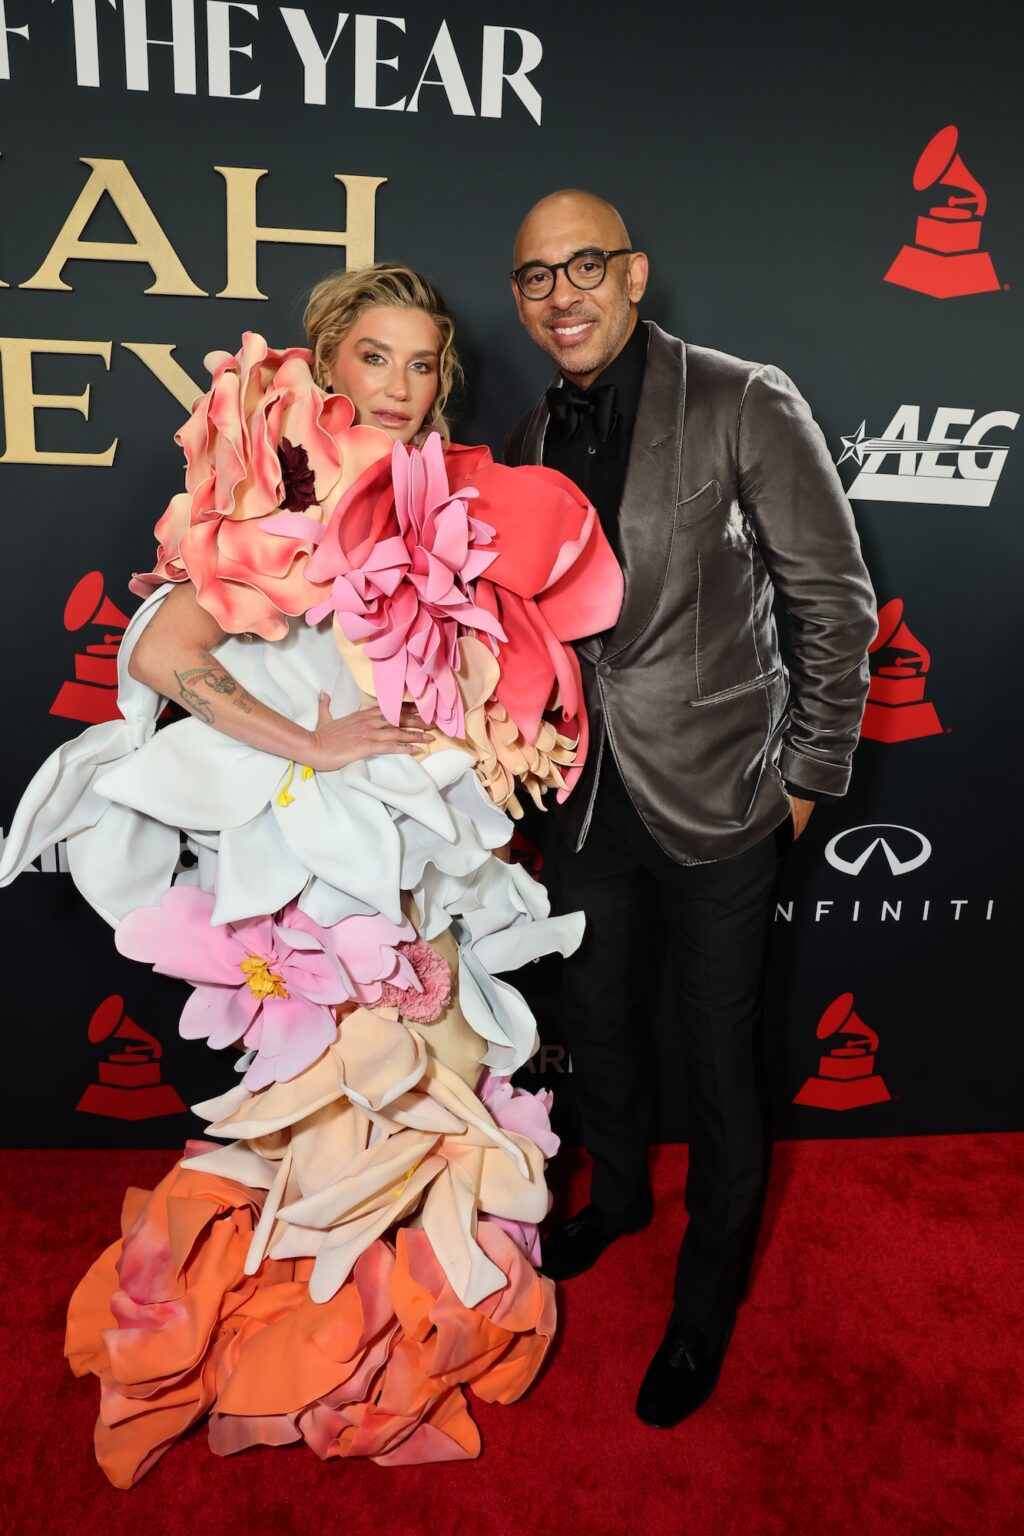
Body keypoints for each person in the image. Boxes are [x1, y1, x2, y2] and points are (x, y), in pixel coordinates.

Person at [0, 262, 623, 1484]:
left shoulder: (448, 504)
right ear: (326, 362)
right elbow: (173, 648)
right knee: (342, 1099)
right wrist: (312, 742)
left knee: (432, 1087)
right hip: (317, 859)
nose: (398, 385)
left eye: (422, 362)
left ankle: (391, 1338)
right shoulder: (271, 504)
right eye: (375, 357)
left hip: (426, 853)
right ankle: (308, 1342)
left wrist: (505, 735)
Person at [504, 191, 877, 1428]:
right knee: (599, 1025)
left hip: (725, 794)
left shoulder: (738, 396)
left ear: (634, 272)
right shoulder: (528, 430)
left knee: (721, 1065)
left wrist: (810, 777)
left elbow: (833, 602)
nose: (562, 293)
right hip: (582, 793)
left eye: (585, 265)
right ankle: (616, 1201)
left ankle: (704, 1305)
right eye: (535, 276)